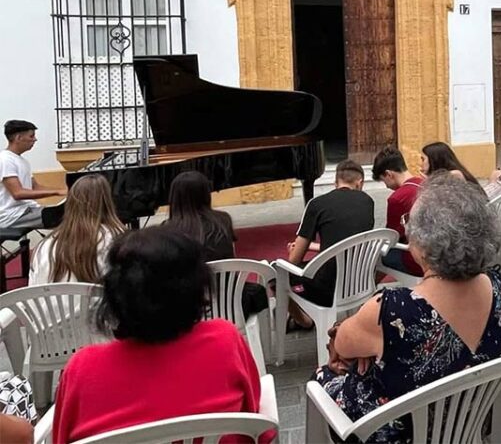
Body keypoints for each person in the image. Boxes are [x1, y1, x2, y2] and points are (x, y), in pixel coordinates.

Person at [315, 173, 501, 442]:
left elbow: (343, 347)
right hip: (470, 420)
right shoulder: (499, 288)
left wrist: (352, 333)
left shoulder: (392, 309)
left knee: (325, 374)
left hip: (399, 432)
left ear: (423, 242)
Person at [52, 227, 272, 443]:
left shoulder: (82, 369)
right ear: (195, 289)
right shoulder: (224, 340)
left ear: (115, 295)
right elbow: (253, 419)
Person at [164, 170, 268, 317]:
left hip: (190, 311)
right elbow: (232, 257)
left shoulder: (166, 230)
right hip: (232, 305)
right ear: (206, 195)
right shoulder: (223, 220)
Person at [285, 160, 374, 328]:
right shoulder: (367, 202)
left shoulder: (317, 204)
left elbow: (295, 260)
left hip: (326, 290)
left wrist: (293, 255)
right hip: (359, 282)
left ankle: (304, 322)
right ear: (360, 182)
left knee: (277, 277)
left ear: (335, 182)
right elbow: (349, 242)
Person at [29, 174, 124, 285]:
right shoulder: (118, 239)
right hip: (95, 302)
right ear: (108, 202)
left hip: (51, 302)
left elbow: (34, 287)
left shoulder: (44, 246)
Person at [0, 120, 66, 229]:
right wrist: (58, 192)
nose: (35, 139)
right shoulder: (5, 160)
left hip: (27, 210)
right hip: (12, 216)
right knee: (64, 217)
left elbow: (36, 187)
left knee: (69, 213)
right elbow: (18, 193)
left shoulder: (22, 161)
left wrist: (65, 191)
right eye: (31, 136)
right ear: (18, 138)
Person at [371, 147, 423, 276]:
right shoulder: (426, 183)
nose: (387, 186)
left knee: (376, 255)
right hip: (439, 254)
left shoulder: (397, 198)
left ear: (389, 174)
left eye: (384, 181)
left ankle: (367, 289)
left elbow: (392, 236)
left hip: (417, 259)